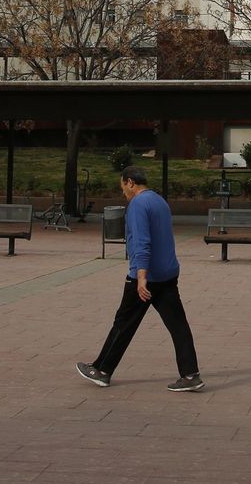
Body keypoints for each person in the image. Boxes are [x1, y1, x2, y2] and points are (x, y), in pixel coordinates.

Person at [78, 166, 203, 392]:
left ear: (130, 182)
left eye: (123, 187)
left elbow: (142, 242)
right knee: (178, 325)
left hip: (146, 277)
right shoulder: (159, 201)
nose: (123, 192)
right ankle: (190, 374)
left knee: (123, 323)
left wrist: (141, 277)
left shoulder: (137, 204)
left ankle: (102, 370)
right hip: (168, 274)